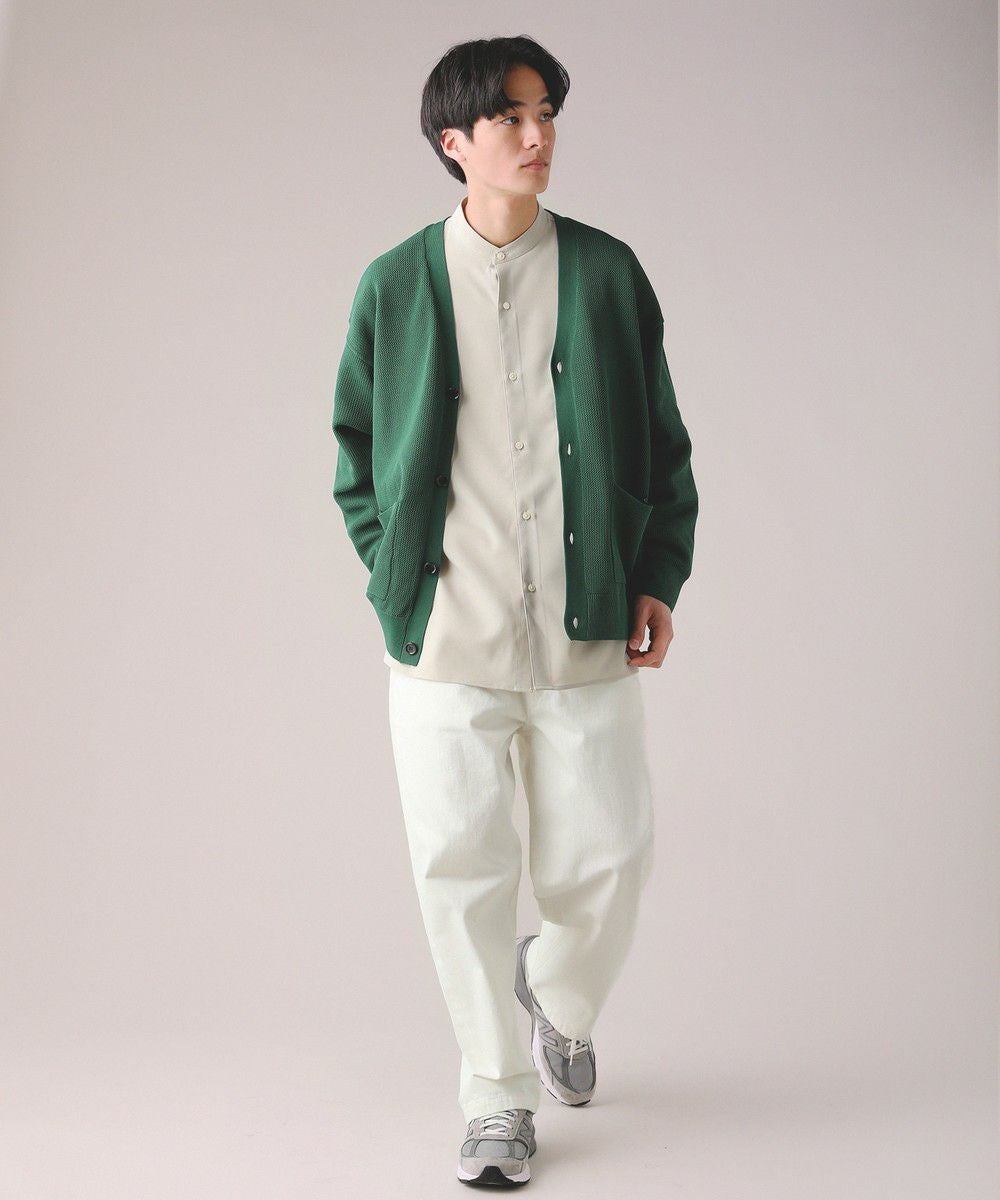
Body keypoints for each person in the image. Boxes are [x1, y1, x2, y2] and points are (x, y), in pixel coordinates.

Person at [331, 34, 698, 1188]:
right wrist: (398, 577)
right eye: (512, 119)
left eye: (547, 114)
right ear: (456, 143)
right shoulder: (396, 283)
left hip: (586, 623)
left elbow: (664, 442)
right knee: (461, 872)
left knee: (611, 857)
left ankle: (558, 993)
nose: (539, 137)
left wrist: (656, 569)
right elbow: (354, 453)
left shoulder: (605, 272)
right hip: (447, 638)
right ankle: (495, 1097)